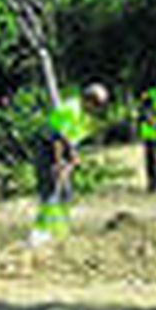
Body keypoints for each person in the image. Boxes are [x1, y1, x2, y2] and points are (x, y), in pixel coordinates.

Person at [31, 82, 109, 245]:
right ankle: (41, 231)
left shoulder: (85, 115)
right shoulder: (70, 110)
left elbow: (71, 140)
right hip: (48, 149)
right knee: (52, 190)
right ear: (88, 100)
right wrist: (59, 163)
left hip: (61, 149)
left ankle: (60, 230)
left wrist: (72, 157)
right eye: (97, 105)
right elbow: (57, 140)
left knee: (66, 192)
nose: (98, 109)